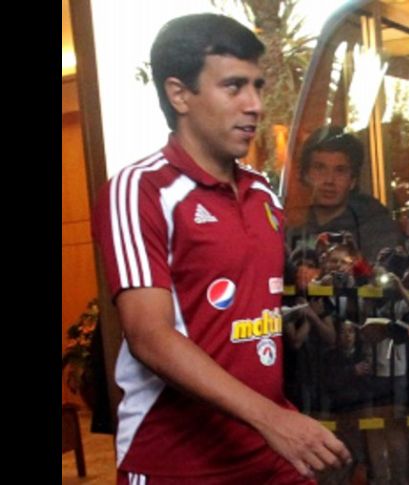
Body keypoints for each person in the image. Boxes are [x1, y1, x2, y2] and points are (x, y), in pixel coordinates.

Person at [91, 13, 350, 483]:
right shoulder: (140, 189)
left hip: (270, 453)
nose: (254, 104)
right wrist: (274, 421)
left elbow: (254, 309)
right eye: (233, 87)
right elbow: (148, 336)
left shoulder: (263, 193)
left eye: (258, 86)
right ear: (179, 94)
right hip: (178, 461)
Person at [285, 126, 402, 263]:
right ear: (305, 175)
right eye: (320, 168)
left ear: (353, 180)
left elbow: (385, 277)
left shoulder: (376, 228)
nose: (329, 180)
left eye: (340, 170)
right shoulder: (290, 224)